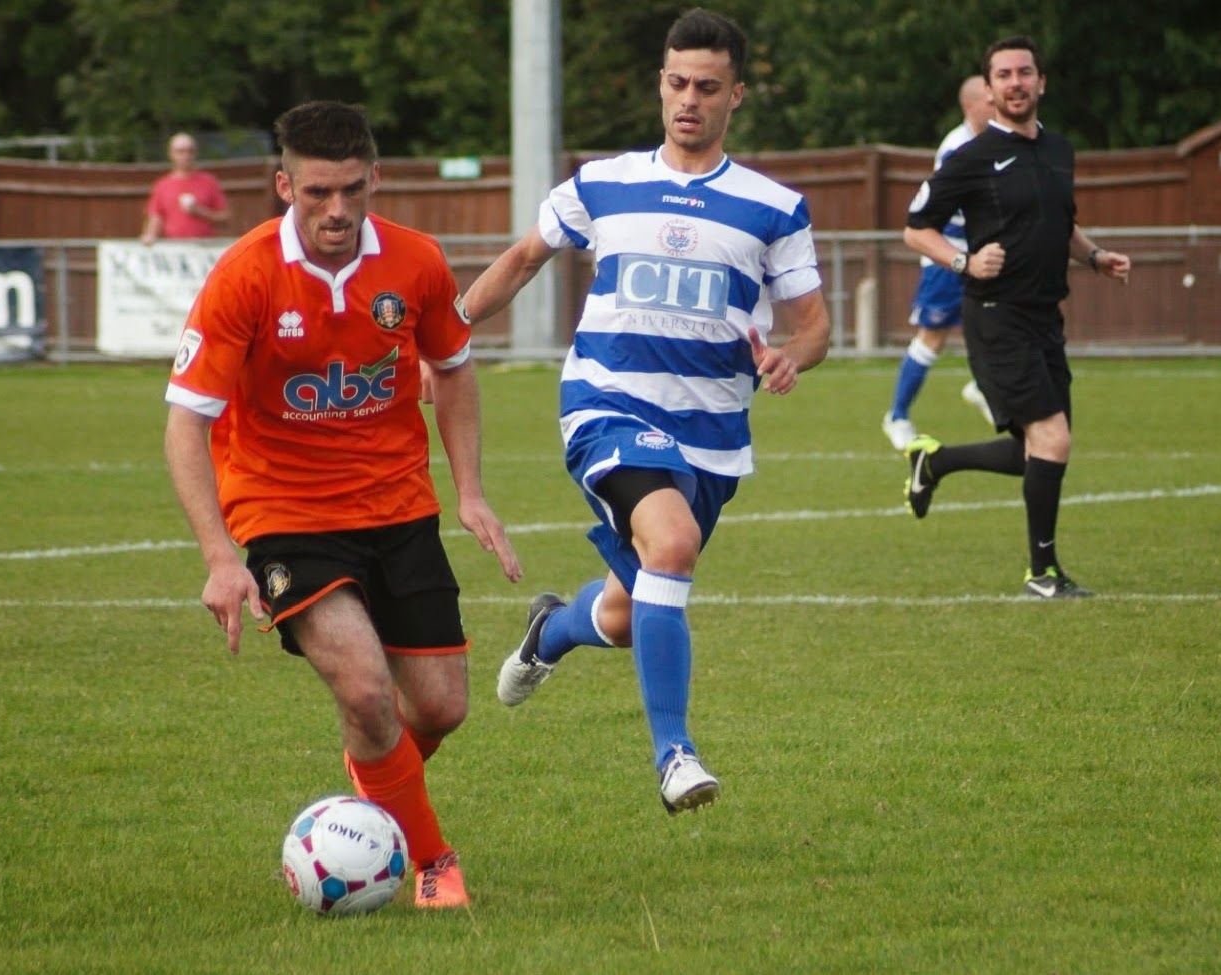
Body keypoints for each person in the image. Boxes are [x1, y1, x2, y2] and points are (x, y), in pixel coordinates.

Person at [460, 8, 830, 814]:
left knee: (631, 610)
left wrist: (787, 358)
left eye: (705, 87)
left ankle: (550, 630)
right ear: (660, 87)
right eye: (675, 84)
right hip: (605, 402)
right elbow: (525, 259)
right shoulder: (602, 181)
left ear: (737, 94)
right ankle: (675, 756)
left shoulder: (774, 207)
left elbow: (813, 326)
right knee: (672, 540)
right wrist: (445, 339)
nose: (687, 100)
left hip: (712, 433)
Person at [162, 100, 521, 908]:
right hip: (283, 511)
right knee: (364, 690)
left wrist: (469, 493)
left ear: (375, 179)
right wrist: (221, 556)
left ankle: (365, 803)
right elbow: (187, 420)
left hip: (398, 507)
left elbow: (454, 368)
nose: (336, 210)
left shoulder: (417, 263)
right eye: (317, 192)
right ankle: (433, 864)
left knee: (440, 706)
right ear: (283, 184)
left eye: (352, 190)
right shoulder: (246, 275)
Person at [901, 35, 1130, 599]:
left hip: (1046, 317)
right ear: (990, 88)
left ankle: (934, 462)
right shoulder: (971, 156)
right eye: (1003, 75)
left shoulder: (1059, 151)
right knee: (1052, 439)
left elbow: (1063, 225)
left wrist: (1096, 257)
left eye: (1024, 73)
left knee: (1038, 449)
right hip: (996, 316)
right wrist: (964, 260)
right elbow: (915, 227)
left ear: (1040, 82)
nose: (1015, 83)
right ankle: (1042, 574)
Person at [882, 76, 997, 451]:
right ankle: (897, 416)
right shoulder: (957, 148)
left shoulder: (998, 140)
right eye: (988, 99)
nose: (996, 105)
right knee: (932, 337)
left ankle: (983, 387)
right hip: (951, 254)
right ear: (971, 106)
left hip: (986, 252)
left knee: (998, 322)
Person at [140, 132, 231, 244]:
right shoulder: (162, 185)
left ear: (196, 153)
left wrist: (200, 212)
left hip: (204, 247)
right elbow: (156, 217)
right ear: (171, 154)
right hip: (175, 248)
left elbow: (225, 218)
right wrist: (150, 236)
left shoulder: (209, 182)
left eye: (190, 151)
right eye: (181, 151)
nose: (186, 156)